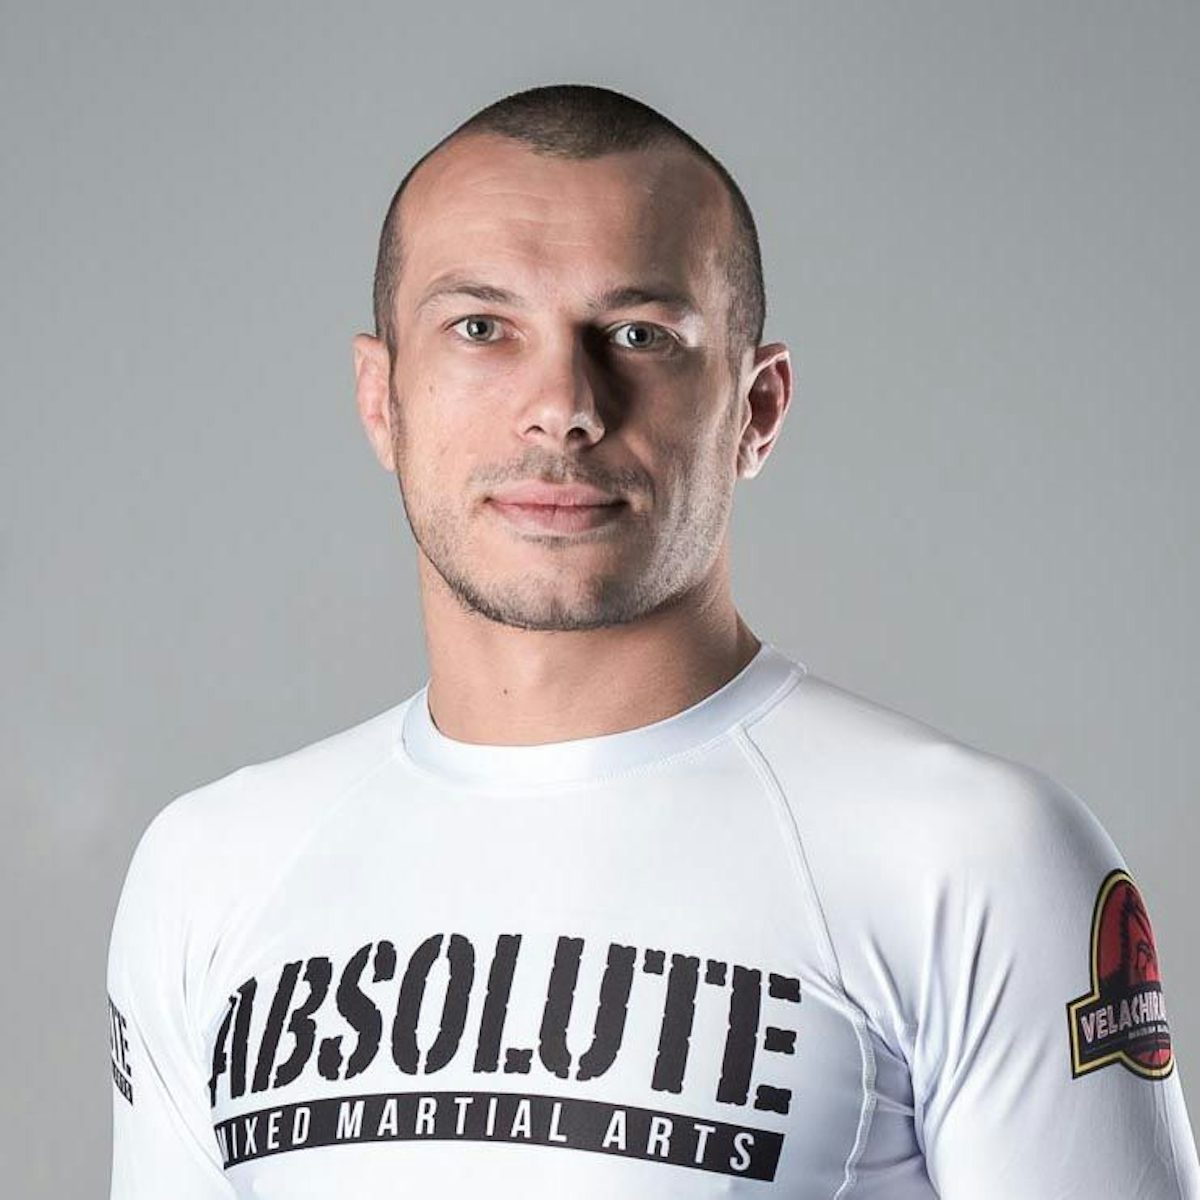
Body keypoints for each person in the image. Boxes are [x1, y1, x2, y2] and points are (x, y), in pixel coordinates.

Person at [106, 84, 1200, 1199]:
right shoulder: (209, 873)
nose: (563, 405)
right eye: (481, 328)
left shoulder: (972, 861)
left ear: (757, 409)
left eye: (639, 335)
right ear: (382, 399)